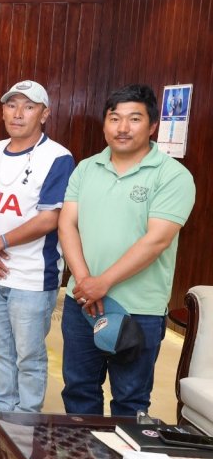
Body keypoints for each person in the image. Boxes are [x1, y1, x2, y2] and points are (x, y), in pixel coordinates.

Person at [59, 84, 194, 417]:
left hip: (138, 309)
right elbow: (67, 225)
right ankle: (84, 448)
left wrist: (102, 283)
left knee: (130, 401)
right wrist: (85, 281)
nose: (122, 127)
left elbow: (156, 240)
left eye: (134, 119)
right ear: (105, 124)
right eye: (114, 118)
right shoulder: (86, 168)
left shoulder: (173, 176)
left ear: (152, 126)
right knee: (78, 389)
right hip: (82, 304)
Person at [0, 80, 74, 438]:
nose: (18, 113)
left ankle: (25, 422)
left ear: (45, 113)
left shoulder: (57, 157)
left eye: (29, 106)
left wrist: (0, 243)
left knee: (28, 353)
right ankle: (3, 410)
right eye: (11, 105)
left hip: (31, 276)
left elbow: (50, 217)